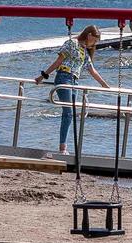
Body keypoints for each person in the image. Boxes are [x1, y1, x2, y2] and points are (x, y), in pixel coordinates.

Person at [36, 25, 104, 154]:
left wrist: (105, 86)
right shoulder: (72, 43)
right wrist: (43, 76)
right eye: (94, 40)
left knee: (70, 113)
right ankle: (63, 148)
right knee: (68, 112)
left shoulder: (84, 51)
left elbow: (92, 70)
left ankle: (64, 147)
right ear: (89, 35)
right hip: (64, 77)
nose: (94, 44)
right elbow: (59, 61)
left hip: (75, 82)